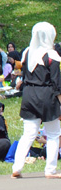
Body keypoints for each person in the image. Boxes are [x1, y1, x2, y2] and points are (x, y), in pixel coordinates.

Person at [11, 22, 61, 179]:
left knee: (28, 134)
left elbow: (24, 74)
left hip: (29, 95)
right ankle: (50, 170)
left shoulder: (27, 52)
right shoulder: (51, 55)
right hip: (47, 95)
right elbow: (56, 82)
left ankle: (16, 167)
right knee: (53, 134)